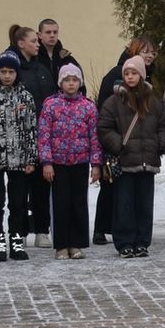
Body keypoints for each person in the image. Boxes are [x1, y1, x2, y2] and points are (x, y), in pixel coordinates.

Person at [100, 57, 165, 258]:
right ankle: (125, 242)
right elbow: (104, 127)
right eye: (127, 73)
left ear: (142, 75)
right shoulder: (113, 101)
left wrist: (159, 145)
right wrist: (119, 144)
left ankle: (142, 241)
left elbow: (164, 125)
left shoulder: (153, 102)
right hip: (125, 161)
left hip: (147, 162)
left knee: (144, 205)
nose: (130, 77)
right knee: (124, 205)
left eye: (134, 73)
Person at [38, 63, 101, 259]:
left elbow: (95, 137)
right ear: (61, 83)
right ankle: (61, 245)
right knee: (61, 203)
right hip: (58, 163)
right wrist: (46, 162)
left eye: (74, 80)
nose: (71, 84)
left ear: (80, 83)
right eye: (67, 80)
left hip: (80, 162)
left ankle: (77, 243)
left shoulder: (88, 107)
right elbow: (43, 135)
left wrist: (96, 164)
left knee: (78, 203)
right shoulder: (51, 105)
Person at [0, 49, 39, 261]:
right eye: (3, 71)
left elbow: (32, 129)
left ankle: (16, 238)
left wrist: (31, 158)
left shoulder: (25, 97)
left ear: (17, 73)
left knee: (18, 203)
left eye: (11, 72)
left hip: (19, 160)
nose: (7, 75)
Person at [10, 24, 58, 249]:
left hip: (43, 135)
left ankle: (42, 230)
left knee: (42, 185)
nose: (37, 44)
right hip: (20, 138)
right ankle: (19, 231)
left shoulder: (42, 69)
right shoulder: (13, 68)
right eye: (33, 41)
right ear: (21, 44)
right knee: (20, 188)